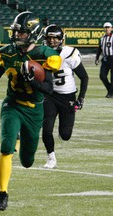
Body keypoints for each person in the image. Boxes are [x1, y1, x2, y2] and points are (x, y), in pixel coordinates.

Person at [0, 11, 61, 211]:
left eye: (21, 33)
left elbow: (48, 89)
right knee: (6, 147)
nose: (16, 36)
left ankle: (21, 137)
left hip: (34, 110)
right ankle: (2, 194)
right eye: (15, 32)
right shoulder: (7, 52)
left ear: (33, 33)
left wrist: (32, 80)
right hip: (12, 104)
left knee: (28, 161)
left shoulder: (45, 55)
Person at [42, 24, 89, 169]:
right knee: (46, 129)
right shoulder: (41, 53)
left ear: (61, 39)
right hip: (49, 96)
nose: (52, 41)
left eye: (55, 38)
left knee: (65, 135)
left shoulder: (69, 53)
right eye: (49, 38)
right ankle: (51, 158)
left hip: (67, 96)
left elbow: (84, 77)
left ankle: (63, 131)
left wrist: (80, 98)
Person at [95, 22, 113, 98]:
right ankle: (110, 90)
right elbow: (100, 49)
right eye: (105, 27)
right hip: (105, 59)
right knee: (102, 76)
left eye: (108, 27)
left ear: (111, 28)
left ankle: (110, 93)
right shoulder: (102, 38)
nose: (106, 29)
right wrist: (97, 58)